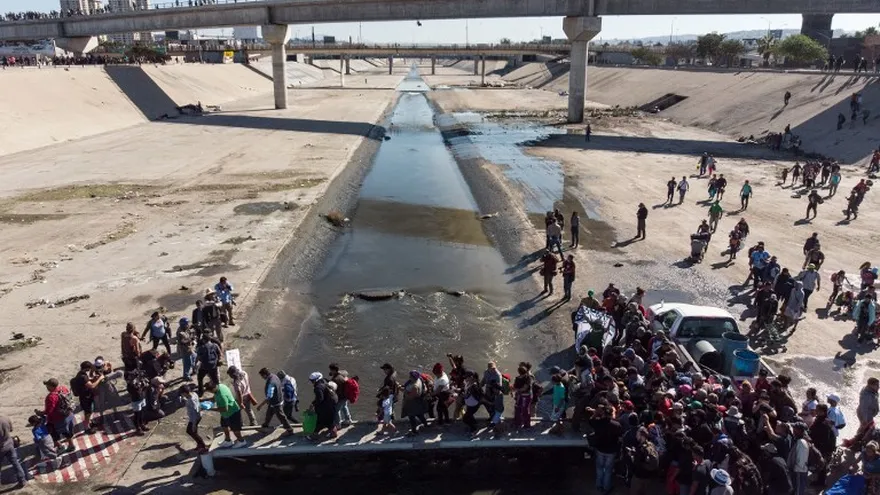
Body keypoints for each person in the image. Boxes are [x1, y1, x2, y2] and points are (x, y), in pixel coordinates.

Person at [588, 404, 623, 495]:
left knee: (599, 468)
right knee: (608, 470)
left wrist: (596, 413)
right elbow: (619, 438)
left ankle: (599, 485)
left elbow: (591, 420)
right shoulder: (616, 425)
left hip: (600, 449)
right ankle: (606, 488)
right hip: (611, 451)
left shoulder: (598, 423)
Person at [205, 380, 247, 449]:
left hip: (233, 412)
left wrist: (210, 409)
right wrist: (206, 401)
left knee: (235, 430)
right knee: (224, 426)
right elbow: (214, 397)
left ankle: (241, 441)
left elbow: (224, 409)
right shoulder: (221, 386)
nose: (211, 393)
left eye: (210, 391)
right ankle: (228, 441)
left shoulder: (222, 395)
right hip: (225, 414)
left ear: (213, 389)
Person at [39, 378, 75, 454]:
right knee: (68, 431)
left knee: (52, 433)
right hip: (69, 414)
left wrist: (40, 413)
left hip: (58, 419)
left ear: (51, 386)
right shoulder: (63, 388)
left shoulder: (51, 397)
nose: (47, 388)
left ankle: (60, 447)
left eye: (47, 386)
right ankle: (71, 445)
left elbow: (49, 411)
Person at [256, 368, 294, 434]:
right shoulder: (274, 376)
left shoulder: (271, 383)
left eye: (262, 376)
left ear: (264, 375)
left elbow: (269, 396)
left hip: (276, 402)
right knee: (269, 413)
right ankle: (265, 425)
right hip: (277, 400)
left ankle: (289, 429)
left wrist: (260, 406)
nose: (262, 378)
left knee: (281, 416)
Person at [71, 361, 103, 434]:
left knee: (89, 411)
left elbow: (86, 383)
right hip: (85, 398)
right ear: (87, 369)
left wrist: (92, 379)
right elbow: (92, 386)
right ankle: (86, 428)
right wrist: (100, 378)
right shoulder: (83, 376)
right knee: (88, 413)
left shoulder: (80, 374)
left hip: (85, 396)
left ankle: (89, 423)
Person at [809, 403, 836, 486]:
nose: (816, 411)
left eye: (818, 410)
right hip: (823, 445)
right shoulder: (821, 419)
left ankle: (821, 482)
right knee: (822, 464)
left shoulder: (824, 423)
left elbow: (825, 437)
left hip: (824, 447)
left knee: (822, 464)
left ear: (823, 412)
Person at [307, 372, 338, 440]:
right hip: (333, 402)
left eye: (312, 381)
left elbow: (320, 399)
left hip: (327, 405)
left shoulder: (318, 388)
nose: (312, 382)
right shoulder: (325, 381)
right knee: (330, 420)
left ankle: (314, 435)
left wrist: (313, 404)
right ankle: (333, 432)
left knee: (320, 420)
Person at [179, 382, 207, 453]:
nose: (181, 395)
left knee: (190, 431)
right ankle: (199, 445)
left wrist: (194, 424)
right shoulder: (194, 394)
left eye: (182, 393)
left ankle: (203, 445)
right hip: (198, 416)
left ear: (185, 393)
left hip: (194, 418)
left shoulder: (191, 401)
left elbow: (194, 412)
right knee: (194, 432)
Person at [0, 414, 27, 489]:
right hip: (9, 444)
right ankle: (22, 481)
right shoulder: (5, 418)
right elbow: (11, 429)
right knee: (15, 463)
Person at [787, 422, 809, 495]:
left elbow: (801, 461)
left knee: (798, 491)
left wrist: (795, 470)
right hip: (798, 471)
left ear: (799, 430)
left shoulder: (801, 442)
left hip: (799, 472)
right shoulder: (799, 440)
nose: (793, 430)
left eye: (794, 429)